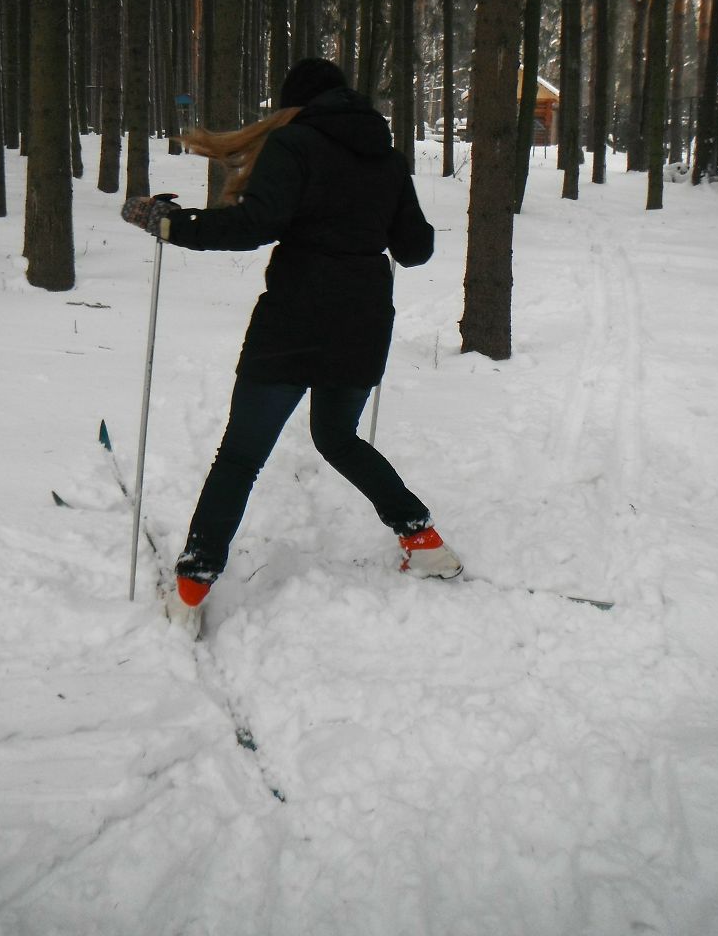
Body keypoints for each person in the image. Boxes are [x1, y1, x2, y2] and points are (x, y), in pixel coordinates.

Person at [121, 58, 462, 618]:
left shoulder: (294, 144)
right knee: (337, 437)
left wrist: (169, 223)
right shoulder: (387, 157)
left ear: (295, 104)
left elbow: (254, 226)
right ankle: (423, 542)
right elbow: (416, 249)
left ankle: (191, 590)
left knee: (240, 456)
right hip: (362, 320)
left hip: (296, 318)